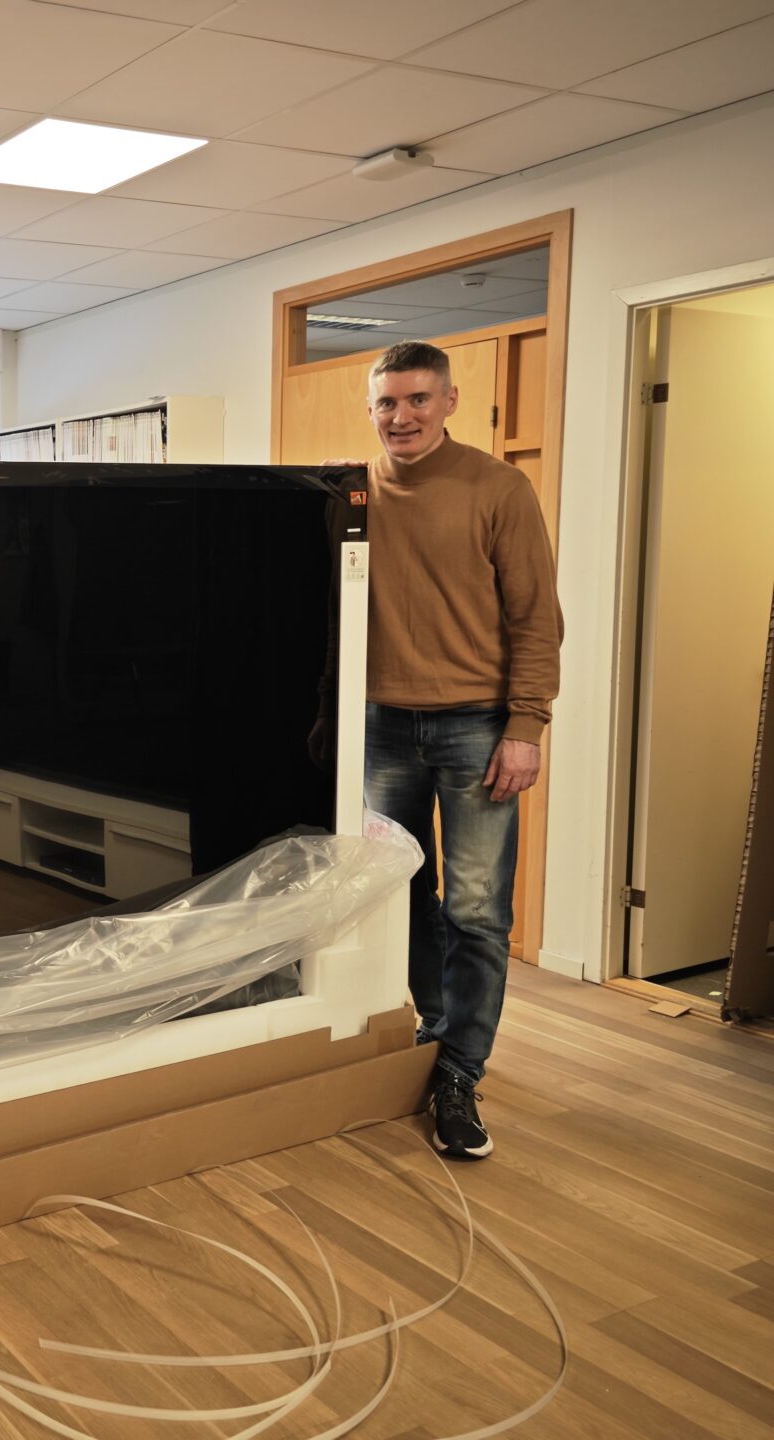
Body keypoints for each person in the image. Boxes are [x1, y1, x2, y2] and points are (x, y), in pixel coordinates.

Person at [342, 340, 562, 1159]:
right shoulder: (351, 492)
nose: (401, 416)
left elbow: (536, 618)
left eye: (417, 399)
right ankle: (435, 1031)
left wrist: (526, 727)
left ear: (449, 402)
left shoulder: (497, 488)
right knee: (400, 894)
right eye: (386, 402)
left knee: (475, 909)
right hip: (379, 726)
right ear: (371, 408)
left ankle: (461, 1072)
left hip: (477, 726)